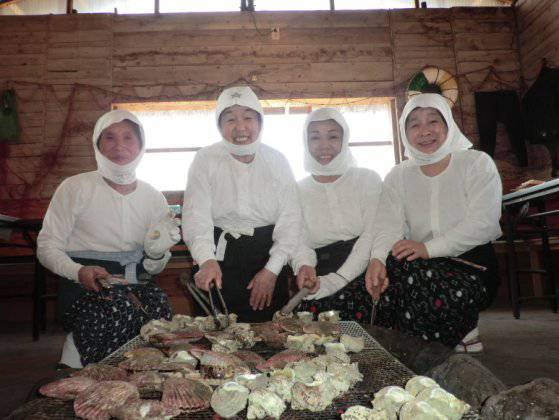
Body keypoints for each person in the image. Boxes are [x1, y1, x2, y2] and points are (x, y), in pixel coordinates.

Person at [37, 110, 180, 367]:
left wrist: (157, 255)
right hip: (82, 284)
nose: (120, 146)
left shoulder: (153, 197)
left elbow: (154, 265)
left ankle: (143, 379)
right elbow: (47, 246)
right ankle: (92, 375)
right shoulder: (75, 187)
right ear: (97, 144)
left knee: (159, 309)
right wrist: (78, 270)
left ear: (141, 145)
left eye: (128, 137)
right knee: (115, 310)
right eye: (110, 137)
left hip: (134, 281)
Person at [366, 93, 502, 353]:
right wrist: (376, 260)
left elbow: (483, 223)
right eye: (414, 124)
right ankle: (447, 335)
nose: (424, 131)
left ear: (448, 124)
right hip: (421, 265)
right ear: (405, 132)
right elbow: (388, 226)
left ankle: (434, 340)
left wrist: (428, 249)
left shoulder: (476, 163)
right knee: (390, 269)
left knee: (416, 278)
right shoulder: (398, 176)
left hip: (472, 265)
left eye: (433, 121)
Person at [182, 86, 302, 322]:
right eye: (230, 119)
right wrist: (206, 260)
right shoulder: (205, 159)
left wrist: (272, 271)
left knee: (268, 335)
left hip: (267, 256)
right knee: (215, 337)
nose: (240, 127)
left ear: (260, 121)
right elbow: (196, 216)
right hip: (217, 255)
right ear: (219, 125)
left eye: (248, 117)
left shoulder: (277, 160)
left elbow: (291, 220)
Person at [291, 108, 382, 322]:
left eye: (333, 136)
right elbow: (298, 240)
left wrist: (339, 279)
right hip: (322, 271)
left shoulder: (367, 179)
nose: (324, 145)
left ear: (345, 139)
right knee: (312, 331)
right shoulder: (296, 190)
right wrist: (304, 265)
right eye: (315, 137)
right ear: (305, 142)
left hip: (369, 264)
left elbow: (373, 232)